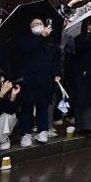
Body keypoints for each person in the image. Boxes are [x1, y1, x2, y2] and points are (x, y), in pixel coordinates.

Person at [17, 19, 61, 147]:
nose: (38, 26)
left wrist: (57, 74)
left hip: (45, 80)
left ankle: (43, 131)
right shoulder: (25, 39)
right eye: (34, 25)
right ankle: (26, 133)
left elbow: (55, 59)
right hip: (28, 80)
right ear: (29, 27)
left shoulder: (50, 41)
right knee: (27, 107)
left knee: (43, 107)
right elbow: (27, 49)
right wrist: (41, 37)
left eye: (40, 24)